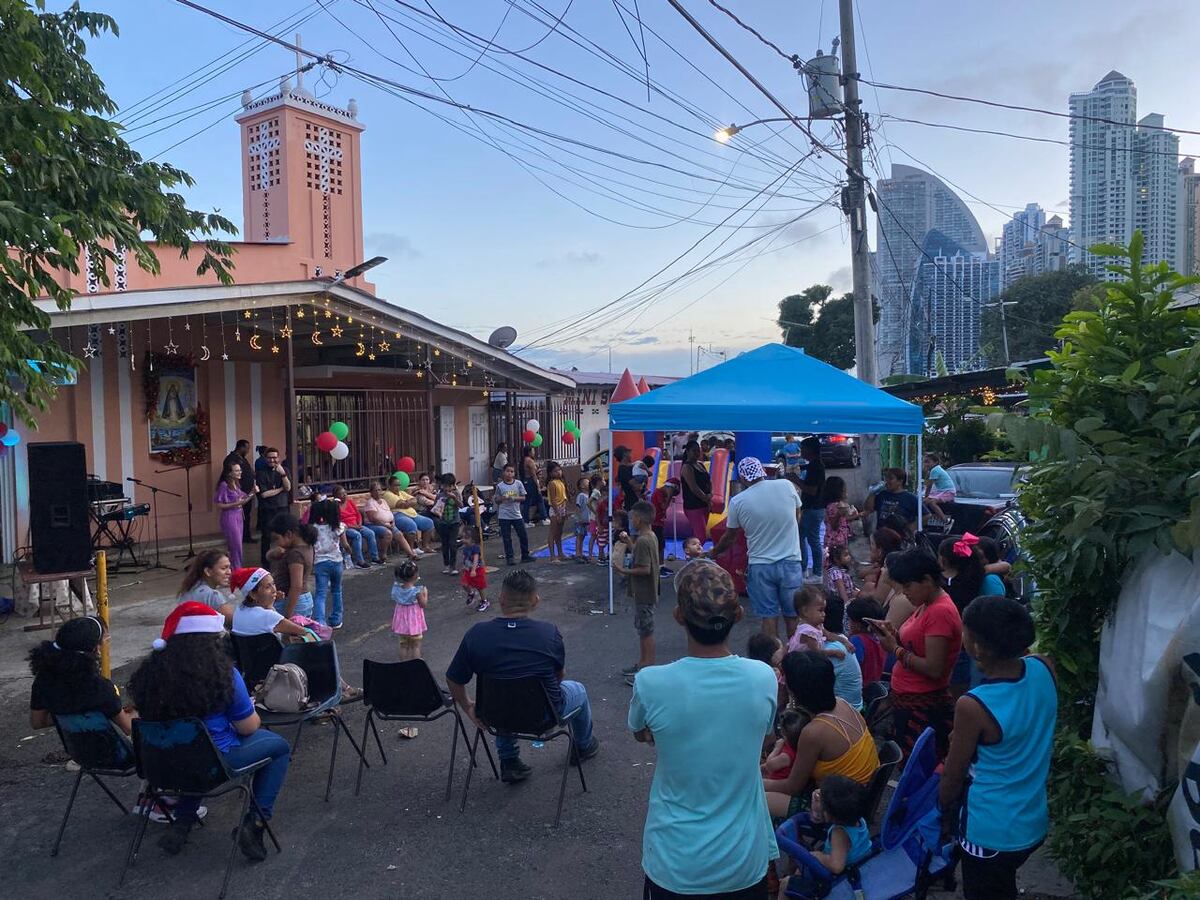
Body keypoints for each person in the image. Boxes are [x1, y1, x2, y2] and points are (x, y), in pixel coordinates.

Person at [629, 563, 777, 899]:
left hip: (675, 863)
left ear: (678, 616)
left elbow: (639, 731)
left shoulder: (651, 682)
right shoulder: (762, 677)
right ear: (739, 614)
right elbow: (766, 735)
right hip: (744, 862)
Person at [128, 603, 291, 858]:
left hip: (161, 764)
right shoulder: (223, 674)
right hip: (211, 763)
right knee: (279, 748)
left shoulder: (148, 675)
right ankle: (255, 823)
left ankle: (183, 822)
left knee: (195, 749)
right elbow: (248, 727)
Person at [940, 596, 1057, 900]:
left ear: (978, 648)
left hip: (989, 831)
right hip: (1032, 819)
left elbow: (953, 774)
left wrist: (942, 806)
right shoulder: (1044, 667)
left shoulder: (973, 705)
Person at [447, 570, 599, 783]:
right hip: (543, 715)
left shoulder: (476, 634)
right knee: (578, 690)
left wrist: (468, 707)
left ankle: (509, 760)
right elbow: (559, 675)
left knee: (503, 696)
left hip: (494, 714)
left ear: (501, 599)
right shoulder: (548, 633)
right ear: (535, 601)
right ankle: (584, 745)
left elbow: (453, 679)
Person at [867, 549, 963, 759]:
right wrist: (893, 634)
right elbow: (918, 644)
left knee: (919, 765)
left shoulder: (940, 612)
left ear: (927, 580)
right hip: (908, 699)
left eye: (908, 586)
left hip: (923, 706)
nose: (904, 592)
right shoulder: (926, 604)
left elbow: (934, 668)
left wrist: (895, 649)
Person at [764, 651, 879, 819]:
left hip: (840, 811)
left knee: (758, 798)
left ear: (794, 690)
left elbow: (792, 787)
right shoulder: (842, 703)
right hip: (860, 793)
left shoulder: (814, 732)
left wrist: (756, 783)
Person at [710, 456, 803, 642]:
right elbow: (797, 516)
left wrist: (713, 552)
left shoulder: (738, 501)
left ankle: (773, 656)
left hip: (760, 566)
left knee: (768, 616)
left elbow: (730, 536)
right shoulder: (786, 486)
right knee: (793, 615)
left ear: (743, 478)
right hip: (791, 562)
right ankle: (795, 654)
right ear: (762, 471)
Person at [29, 616, 129, 734]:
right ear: (95, 650)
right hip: (107, 745)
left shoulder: (43, 680)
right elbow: (128, 728)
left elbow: (38, 723)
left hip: (73, 744)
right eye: (105, 640)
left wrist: (67, 714)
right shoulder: (101, 688)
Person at [941, 532, 1007, 690]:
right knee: (961, 687)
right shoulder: (974, 578)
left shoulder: (939, 582)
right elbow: (1006, 566)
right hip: (964, 642)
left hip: (944, 640)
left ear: (943, 560)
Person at [787, 587, 861, 710]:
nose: (824, 614)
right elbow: (817, 652)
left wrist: (845, 642)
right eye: (820, 610)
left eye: (824, 610)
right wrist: (834, 653)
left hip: (807, 663)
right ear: (805, 611)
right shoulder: (807, 631)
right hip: (797, 665)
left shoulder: (818, 626)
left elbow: (830, 635)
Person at [613, 501, 660, 685]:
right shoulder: (650, 536)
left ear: (639, 519)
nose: (631, 521)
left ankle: (647, 668)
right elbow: (642, 556)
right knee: (644, 629)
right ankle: (643, 663)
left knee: (646, 631)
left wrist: (623, 570)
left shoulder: (643, 540)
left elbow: (644, 569)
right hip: (647, 592)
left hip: (644, 592)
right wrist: (629, 543)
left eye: (633, 518)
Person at [801, 776, 872, 877]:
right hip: (862, 862)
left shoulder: (839, 833)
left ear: (829, 814)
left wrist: (818, 856)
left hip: (842, 875)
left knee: (792, 878)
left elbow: (836, 867)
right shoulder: (857, 818)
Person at [230, 567, 313, 643]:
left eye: (273, 584)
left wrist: (271, 603)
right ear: (253, 595)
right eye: (267, 587)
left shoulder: (239, 610)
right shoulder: (268, 616)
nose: (274, 590)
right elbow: (305, 632)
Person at [858, 527, 914, 628]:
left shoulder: (900, 599)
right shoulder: (894, 591)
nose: (882, 570)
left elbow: (878, 603)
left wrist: (859, 596)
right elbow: (861, 573)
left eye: (872, 544)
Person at [265, 514, 316, 619]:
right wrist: (273, 553)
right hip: (300, 600)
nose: (276, 543)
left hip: (293, 601)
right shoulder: (304, 547)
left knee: (289, 629)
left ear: (289, 534)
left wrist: (288, 615)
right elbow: (269, 557)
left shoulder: (295, 554)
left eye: (277, 539)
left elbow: (296, 586)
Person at [308, 499, 346, 629]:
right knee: (337, 590)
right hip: (336, 561)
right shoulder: (338, 526)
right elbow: (345, 544)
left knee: (320, 593)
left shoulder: (313, 528)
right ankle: (336, 619)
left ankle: (320, 621)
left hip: (320, 562)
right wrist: (349, 551)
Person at [795, 438, 826, 581]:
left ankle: (817, 573)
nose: (801, 451)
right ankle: (804, 569)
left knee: (812, 540)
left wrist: (795, 479)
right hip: (811, 508)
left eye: (803, 449)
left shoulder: (816, 466)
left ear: (810, 450)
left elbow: (812, 490)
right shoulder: (813, 464)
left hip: (813, 508)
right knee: (802, 537)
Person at [255, 447, 291, 566]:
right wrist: (280, 489)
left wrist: (283, 474)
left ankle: (285, 561)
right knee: (266, 537)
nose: (272, 460)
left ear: (278, 458)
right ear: (265, 459)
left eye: (274, 457)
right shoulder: (261, 473)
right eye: (269, 458)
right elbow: (264, 494)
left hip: (282, 507)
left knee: (285, 535)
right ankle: (265, 564)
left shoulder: (284, 470)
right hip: (267, 509)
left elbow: (288, 487)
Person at [362, 482, 418, 561]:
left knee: (399, 534)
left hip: (388, 524)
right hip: (373, 525)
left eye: (379, 490)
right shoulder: (370, 503)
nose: (378, 492)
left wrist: (392, 522)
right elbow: (373, 519)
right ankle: (383, 554)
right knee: (388, 533)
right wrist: (385, 525)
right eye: (375, 490)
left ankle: (410, 554)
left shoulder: (383, 501)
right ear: (371, 492)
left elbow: (389, 513)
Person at [178, 549, 235, 624]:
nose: (229, 572)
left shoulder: (189, 587)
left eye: (229, 567)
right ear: (208, 571)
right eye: (223, 568)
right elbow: (235, 621)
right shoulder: (212, 595)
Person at [214, 460, 253, 569]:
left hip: (239, 516)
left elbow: (243, 501)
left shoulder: (236, 484)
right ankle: (237, 569)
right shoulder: (224, 485)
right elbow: (219, 504)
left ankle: (234, 568)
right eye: (237, 470)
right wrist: (235, 504)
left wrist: (252, 493)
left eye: (240, 470)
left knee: (237, 546)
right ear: (230, 473)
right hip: (229, 517)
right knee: (236, 546)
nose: (240, 472)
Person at [334, 485, 385, 567]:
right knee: (357, 535)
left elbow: (358, 514)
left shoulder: (350, 502)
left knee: (370, 533)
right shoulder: (335, 506)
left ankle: (375, 558)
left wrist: (359, 523)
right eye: (341, 494)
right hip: (346, 528)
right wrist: (354, 527)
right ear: (336, 496)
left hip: (357, 525)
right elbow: (340, 523)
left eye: (345, 493)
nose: (344, 495)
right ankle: (360, 561)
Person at [383, 476, 435, 556]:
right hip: (397, 515)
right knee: (411, 525)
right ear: (389, 486)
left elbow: (415, 500)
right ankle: (411, 550)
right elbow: (402, 504)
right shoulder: (388, 494)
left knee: (428, 522)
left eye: (399, 485)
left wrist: (407, 502)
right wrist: (407, 502)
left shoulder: (401, 493)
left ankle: (425, 546)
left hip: (412, 514)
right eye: (395, 485)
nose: (398, 487)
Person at [494, 463, 533, 566]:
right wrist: (502, 498)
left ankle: (525, 555)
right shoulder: (500, 486)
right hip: (504, 515)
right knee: (507, 538)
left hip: (516, 514)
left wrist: (514, 498)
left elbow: (523, 497)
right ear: (503, 472)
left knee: (523, 535)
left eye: (511, 471)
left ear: (514, 473)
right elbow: (496, 499)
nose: (509, 474)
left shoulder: (518, 484)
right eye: (507, 471)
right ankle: (510, 557)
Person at [391, 561, 428, 661]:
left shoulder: (396, 588)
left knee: (403, 645)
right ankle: (415, 664)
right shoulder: (417, 591)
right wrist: (425, 594)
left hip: (402, 623)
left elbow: (395, 598)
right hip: (413, 622)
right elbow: (423, 604)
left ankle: (403, 664)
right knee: (416, 645)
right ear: (415, 576)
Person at [846, 598, 888, 687]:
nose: (848, 623)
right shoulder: (879, 640)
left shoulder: (856, 640)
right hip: (873, 686)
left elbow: (851, 667)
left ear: (857, 624)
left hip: (858, 687)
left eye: (850, 620)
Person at [865, 468, 919, 535]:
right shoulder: (882, 495)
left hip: (900, 536)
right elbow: (868, 509)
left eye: (890, 478)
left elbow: (926, 515)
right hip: (882, 535)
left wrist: (911, 527)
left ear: (900, 481)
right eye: (886, 478)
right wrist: (872, 494)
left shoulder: (910, 498)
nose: (887, 481)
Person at [746, 632, 790, 713]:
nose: (784, 650)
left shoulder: (755, 671)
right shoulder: (775, 674)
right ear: (773, 654)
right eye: (780, 648)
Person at [678, 440, 713, 542]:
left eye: (698, 451)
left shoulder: (700, 465)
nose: (697, 453)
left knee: (699, 534)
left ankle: (693, 550)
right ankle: (692, 550)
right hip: (693, 505)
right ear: (688, 451)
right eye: (694, 451)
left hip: (704, 504)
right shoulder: (687, 467)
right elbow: (693, 487)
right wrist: (705, 498)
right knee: (701, 536)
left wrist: (710, 495)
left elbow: (709, 482)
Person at [223, 439, 257, 542]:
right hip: (238, 493)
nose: (248, 450)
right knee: (239, 516)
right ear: (241, 447)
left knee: (246, 515)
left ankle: (245, 536)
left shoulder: (242, 458)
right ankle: (240, 536)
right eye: (247, 448)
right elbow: (230, 477)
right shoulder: (231, 459)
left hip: (247, 492)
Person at [763, 709, 807, 782]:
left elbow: (769, 766)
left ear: (784, 733)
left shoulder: (786, 756)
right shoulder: (798, 748)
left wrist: (777, 748)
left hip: (776, 783)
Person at [434, 473, 463, 575]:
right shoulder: (439, 495)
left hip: (454, 522)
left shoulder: (456, 493)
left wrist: (454, 498)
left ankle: (453, 566)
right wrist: (438, 509)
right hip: (443, 523)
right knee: (445, 545)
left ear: (453, 485)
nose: (447, 488)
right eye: (445, 486)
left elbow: (461, 505)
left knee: (452, 544)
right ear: (442, 485)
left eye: (450, 486)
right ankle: (446, 565)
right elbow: (435, 508)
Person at [822, 476, 859, 554]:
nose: (846, 493)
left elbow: (844, 519)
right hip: (835, 542)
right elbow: (834, 525)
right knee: (835, 559)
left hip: (841, 540)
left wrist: (856, 516)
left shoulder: (840, 505)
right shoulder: (833, 507)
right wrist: (839, 514)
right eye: (844, 491)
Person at [650, 477, 679, 573]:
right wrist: (669, 496)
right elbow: (663, 506)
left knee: (661, 545)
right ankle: (657, 567)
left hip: (660, 522)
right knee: (658, 545)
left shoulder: (662, 493)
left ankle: (661, 565)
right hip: (655, 523)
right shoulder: (659, 492)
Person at [459, 522, 489, 612]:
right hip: (468, 569)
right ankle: (471, 593)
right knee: (464, 584)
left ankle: (484, 601)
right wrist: (463, 566)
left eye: (466, 538)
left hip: (477, 569)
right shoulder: (465, 548)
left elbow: (476, 559)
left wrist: (473, 570)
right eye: (462, 537)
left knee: (480, 587)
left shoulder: (475, 547)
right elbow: (465, 558)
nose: (464, 540)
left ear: (472, 539)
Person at [923, 454, 957, 522]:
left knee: (932, 503)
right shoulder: (935, 469)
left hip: (948, 492)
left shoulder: (935, 470)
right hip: (942, 491)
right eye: (925, 462)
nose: (926, 464)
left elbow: (929, 485)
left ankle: (946, 521)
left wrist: (926, 496)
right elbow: (927, 483)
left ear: (935, 462)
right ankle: (926, 520)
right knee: (925, 502)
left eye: (928, 462)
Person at [545, 461, 568, 563]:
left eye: (559, 470)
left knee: (559, 533)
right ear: (550, 473)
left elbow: (564, 497)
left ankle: (560, 553)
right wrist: (557, 513)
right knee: (553, 532)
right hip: (555, 510)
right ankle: (552, 556)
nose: (558, 472)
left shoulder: (561, 482)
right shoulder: (552, 483)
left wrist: (565, 511)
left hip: (562, 508)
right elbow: (553, 500)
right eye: (555, 471)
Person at [521, 447, 549, 524]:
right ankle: (544, 518)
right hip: (531, 481)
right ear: (529, 452)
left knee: (527, 501)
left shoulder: (523, 460)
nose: (534, 452)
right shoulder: (529, 460)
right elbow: (533, 474)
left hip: (526, 481)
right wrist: (537, 485)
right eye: (533, 451)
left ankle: (526, 520)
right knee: (539, 499)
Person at [824, 544, 856, 608]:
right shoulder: (836, 572)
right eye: (845, 555)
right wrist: (846, 604)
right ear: (836, 559)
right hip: (839, 600)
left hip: (848, 595)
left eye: (848, 554)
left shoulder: (842, 569)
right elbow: (841, 588)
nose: (849, 557)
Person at [573, 477, 592, 563]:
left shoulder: (589, 496)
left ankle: (580, 553)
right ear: (581, 486)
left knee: (583, 536)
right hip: (580, 520)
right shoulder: (581, 495)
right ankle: (577, 554)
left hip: (586, 520)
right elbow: (578, 507)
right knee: (579, 536)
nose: (588, 484)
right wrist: (579, 518)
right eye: (586, 482)